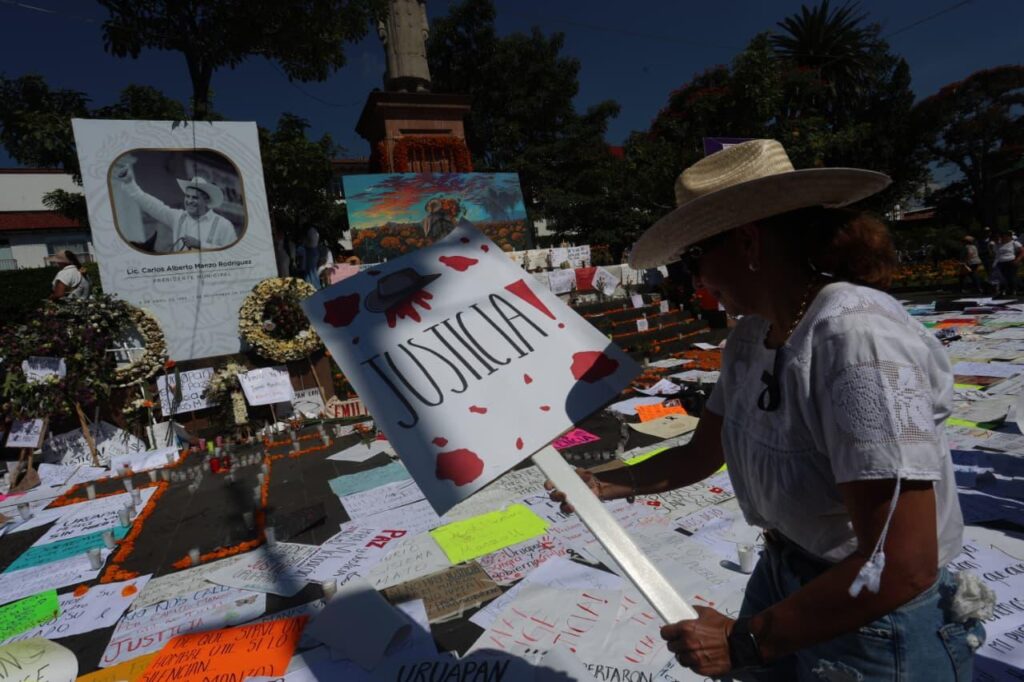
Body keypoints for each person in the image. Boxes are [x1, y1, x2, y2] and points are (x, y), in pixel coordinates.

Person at [547, 139, 985, 680]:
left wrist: (746, 640)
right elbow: (700, 455)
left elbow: (900, 562)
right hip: (786, 572)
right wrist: (606, 483)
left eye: (694, 257)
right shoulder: (750, 338)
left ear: (748, 241)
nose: (694, 280)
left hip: (872, 618)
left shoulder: (855, 339)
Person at [114, 166, 236, 252]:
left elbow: (234, 254)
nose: (189, 201)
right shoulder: (178, 217)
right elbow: (153, 206)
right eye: (187, 196)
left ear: (206, 200)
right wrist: (130, 183)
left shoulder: (224, 225)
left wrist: (200, 245)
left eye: (195, 198)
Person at [993, 230, 1023, 296]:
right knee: (1002, 278)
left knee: (1011, 277)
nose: (1003, 238)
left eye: (1004, 236)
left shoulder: (1014, 243)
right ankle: (1004, 290)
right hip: (1000, 262)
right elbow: (996, 254)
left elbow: (1022, 251)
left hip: (1011, 261)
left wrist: (1018, 259)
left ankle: (1013, 290)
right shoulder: (998, 244)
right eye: (1002, 236)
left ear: (1009, 237)